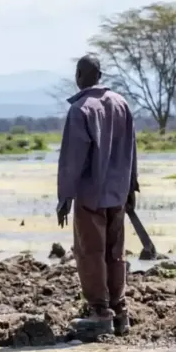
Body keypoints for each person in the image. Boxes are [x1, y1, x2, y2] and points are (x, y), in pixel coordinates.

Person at [56, 55, 139, 336]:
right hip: (117, 193)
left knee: (90, 252)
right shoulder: (121, 104)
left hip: (91, 195)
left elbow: (72, 159)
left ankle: (100, 312)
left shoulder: (80, 109)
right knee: (114, 253)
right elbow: (132, 150)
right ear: (100, 75)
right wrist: (132, 187)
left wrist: (65, 196)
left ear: (79, 75)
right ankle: (120, 311)